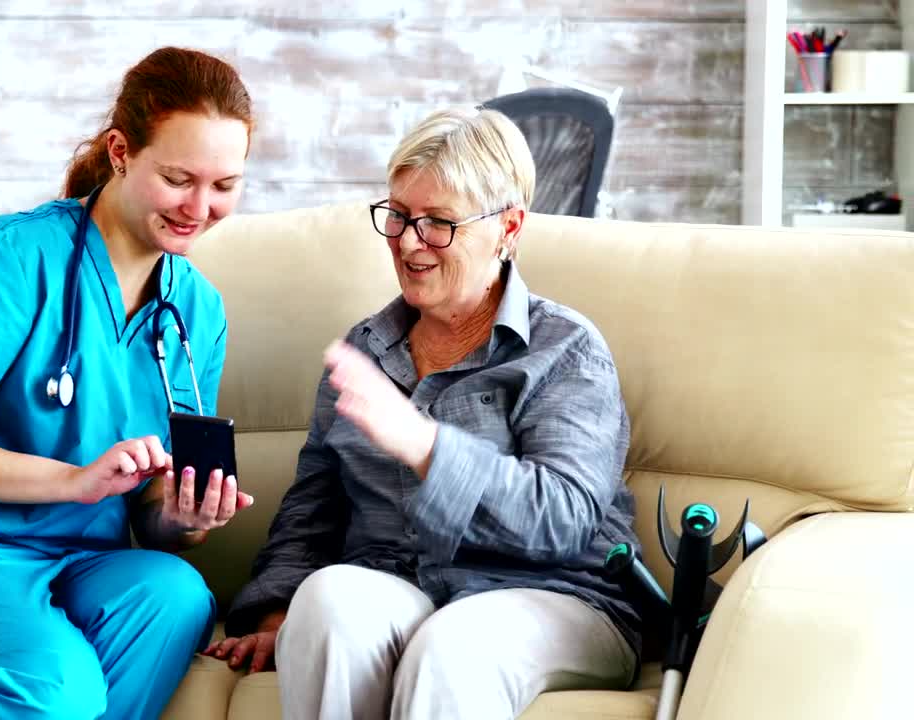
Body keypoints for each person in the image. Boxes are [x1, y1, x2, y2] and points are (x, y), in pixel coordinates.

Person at [0, 47, 256, 720]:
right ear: (121, 151)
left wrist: (179, 516)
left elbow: (152, 510)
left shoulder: (196, 313)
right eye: (179, 178)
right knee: (57, 685)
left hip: (75, 561)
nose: (199, 208)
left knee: (175, 593)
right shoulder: (11, 257)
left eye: (225, 185)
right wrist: (73, 481)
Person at [205, 107, 642, 719]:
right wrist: (281, 613)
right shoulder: (367, 350)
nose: (409, 243)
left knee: (453, 646)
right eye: (400, 216)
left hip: (551, 595)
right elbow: (314, 507)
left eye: (438, 223)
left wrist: (427, 445)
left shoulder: (565, 350)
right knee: (327, 599)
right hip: (399, 583)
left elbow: (562, 518)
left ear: (508, 228)